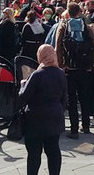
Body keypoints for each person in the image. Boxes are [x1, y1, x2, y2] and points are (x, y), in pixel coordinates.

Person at [18, 44, 66, 175]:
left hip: (35, 119)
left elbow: (24, 96)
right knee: (53, 150)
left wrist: (22, 85)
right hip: (54, 116)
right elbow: (64, 98)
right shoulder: (60, 73)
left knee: (34, 153)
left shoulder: (37, 75)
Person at [54, 2, 94, 138]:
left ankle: (73, 129)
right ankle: (86, 126)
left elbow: (58, 47)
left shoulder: (63, 26)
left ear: (68, 12)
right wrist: (91, 63)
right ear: (79, 12)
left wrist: (61, 64)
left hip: (70, 67)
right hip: (84, 67)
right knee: (84, 96)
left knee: (72, 99)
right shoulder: (86, 26)